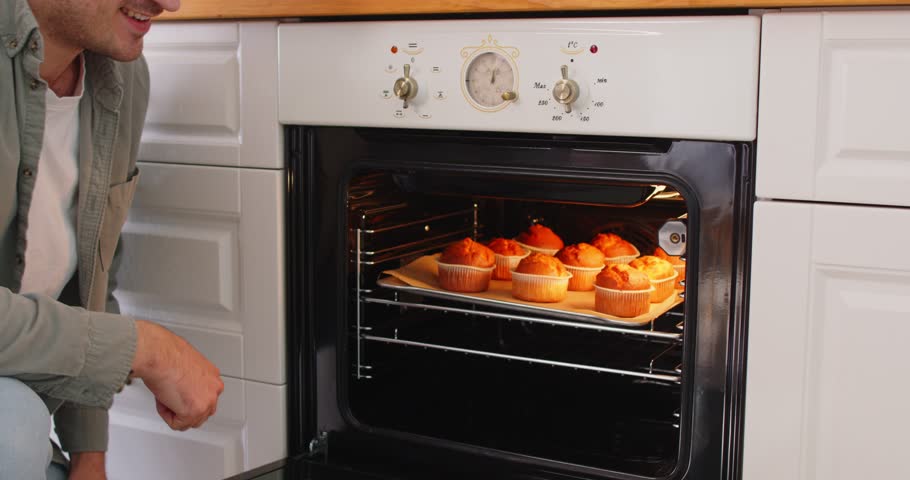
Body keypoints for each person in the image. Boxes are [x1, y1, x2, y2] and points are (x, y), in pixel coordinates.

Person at [1, 0, 225, 478]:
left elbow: (88, 284)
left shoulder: (122, 78)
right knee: (14, 427)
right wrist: (146, 347)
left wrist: (89, 457)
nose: (170, 3)